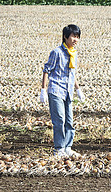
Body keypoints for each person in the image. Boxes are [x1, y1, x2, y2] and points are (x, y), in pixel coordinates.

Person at [40, 24, 86, 157]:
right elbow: (46, 70)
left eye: (77, 37)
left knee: (69, 121)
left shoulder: (74, 54)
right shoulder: (57, 52)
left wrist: (78, 89)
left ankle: (68, 147)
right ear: (65, 37)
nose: (75, 40)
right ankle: (59, 149)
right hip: (56, 90)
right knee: (59, 120)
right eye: (73, 36)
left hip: (68, 91)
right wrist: (43, 89)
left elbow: (72, 74)